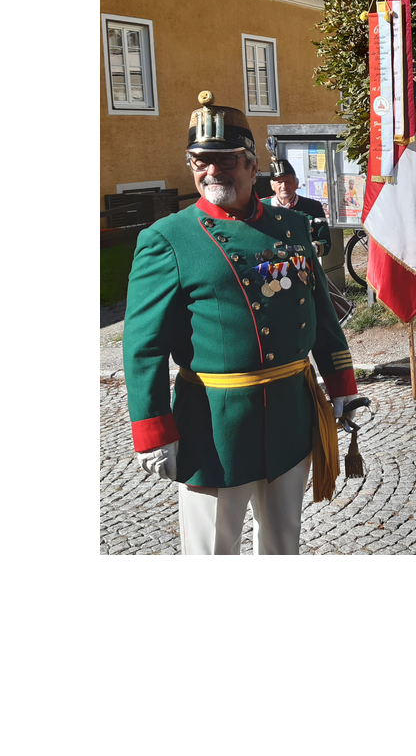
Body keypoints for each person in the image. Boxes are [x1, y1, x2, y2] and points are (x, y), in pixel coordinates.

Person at [123, 91, 359, 555]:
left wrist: (342, 385)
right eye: (200, 161)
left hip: (291, 412)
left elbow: (322, 314)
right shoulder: (167, 239)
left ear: (254, 166)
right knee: (214, 546)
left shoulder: (290, 227)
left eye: (226, 160)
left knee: (282, 541)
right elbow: (143, 344)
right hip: (214, 426)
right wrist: (153, 428)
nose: (212, 171)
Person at [262, 157, 331, 257]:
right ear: (272, 186)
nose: (284, 186)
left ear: (296, 184)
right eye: (279, 182)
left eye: (288, 182)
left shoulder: (313, 207)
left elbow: (325, 243)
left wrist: (306, 249)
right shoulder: (262, 207)